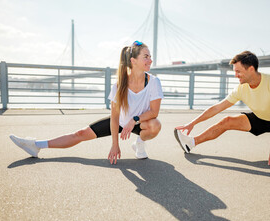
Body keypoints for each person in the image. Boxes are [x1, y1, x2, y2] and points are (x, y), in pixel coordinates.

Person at [10, 41, 163, 164]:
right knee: (80, 134)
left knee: (155, 125)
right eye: (146, 56)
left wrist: (134, 120)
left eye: (150, 56)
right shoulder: (119, 85)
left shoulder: (154, 82)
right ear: (133, 60)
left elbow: (153, 112)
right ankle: (36, 145)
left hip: (140, 123)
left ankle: (140, 144)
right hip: (120, 122)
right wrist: (115, 144)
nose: (150, 60)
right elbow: (115, 117)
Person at [174, 51, 270, 167]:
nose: (235, 75)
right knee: (227, 121)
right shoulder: (241, 89)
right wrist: (192, 123)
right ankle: (191, 143)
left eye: (238, 71)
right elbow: (217, 108)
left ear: (251, 69)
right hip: (260, 118)